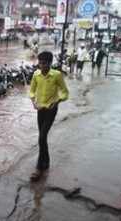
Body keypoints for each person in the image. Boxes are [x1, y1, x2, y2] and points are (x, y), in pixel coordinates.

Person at [29, 51, 69, 181]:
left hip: (51, 110)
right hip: (40, 109)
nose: (42, 66)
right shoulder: (36, 75)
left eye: (44, 63)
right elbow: (31, 91)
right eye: (40, 63)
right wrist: (33, 102)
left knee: (41, 137)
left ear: (50, 63)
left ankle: (39, 168)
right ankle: (46, 162)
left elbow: (65, 92)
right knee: (42, 138)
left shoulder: (57, 75)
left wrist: (57, 101)